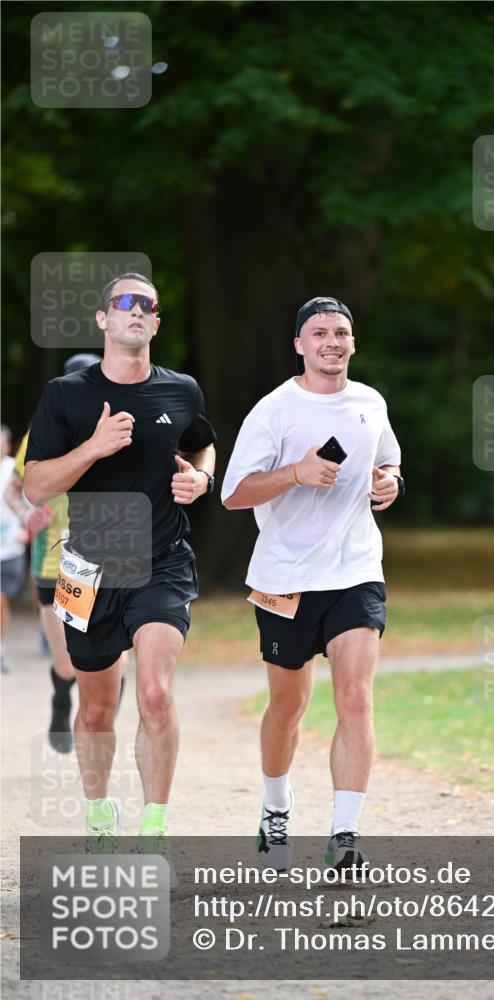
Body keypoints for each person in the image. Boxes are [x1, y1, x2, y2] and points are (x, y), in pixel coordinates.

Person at [23, 273, 217, 847]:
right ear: (104, 319)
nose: (136, 310)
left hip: (162, 561)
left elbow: (200, 440)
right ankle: (100, 813)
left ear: (155, 323)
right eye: (124, 302)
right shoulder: (67, 394)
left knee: (155, 691)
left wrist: (200, 476)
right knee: (97, 708)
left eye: (147, 304)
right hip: (88, 566)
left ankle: (154, 830)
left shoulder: (181, 390)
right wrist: (94, 447)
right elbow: (35, 486)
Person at [221, 296, 403, 872]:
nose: (332, 341)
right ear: (299, 344)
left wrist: (390, 482)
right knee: (287, 705)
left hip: (355, 571)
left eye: (342, 332)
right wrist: (295, 472)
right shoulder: (274, 410)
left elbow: (390, 461)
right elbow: (232, 493)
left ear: (352, 342)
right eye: (319, 332)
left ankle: (344, 838)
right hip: (286, 578)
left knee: (355, 697)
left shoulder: (370, 403)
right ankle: (276, 807)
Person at [5, 354, 128, 753]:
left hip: (109, 563)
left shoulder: (120, 430)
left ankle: (99, 730)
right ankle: (61, 700)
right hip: (53, 563)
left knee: (112, 660)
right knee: (66, 663)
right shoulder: (43, 431)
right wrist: (27, 514)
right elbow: (14, 487)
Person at [0, 425, 27, 674]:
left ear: (7, 446)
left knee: (1, 600)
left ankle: (0, 646)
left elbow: (31, 497)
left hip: (10, 548)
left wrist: (26, 529)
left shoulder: (13, 468)